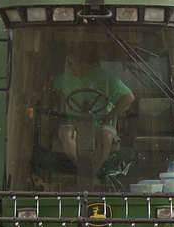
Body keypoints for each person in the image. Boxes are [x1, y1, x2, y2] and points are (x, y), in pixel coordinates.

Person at [50, 41, 134, 182]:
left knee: (107, 136)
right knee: (65, 134)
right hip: (74, 123)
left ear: (84, 63)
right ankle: (84, 170)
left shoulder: (106, 78)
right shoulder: (66, 78)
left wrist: (110, 115)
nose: (69, 67)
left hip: (101, 123)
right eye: (68, 63)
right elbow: (50, 89)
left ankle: (92, 171)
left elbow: (129, 97)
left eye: (72, 63)